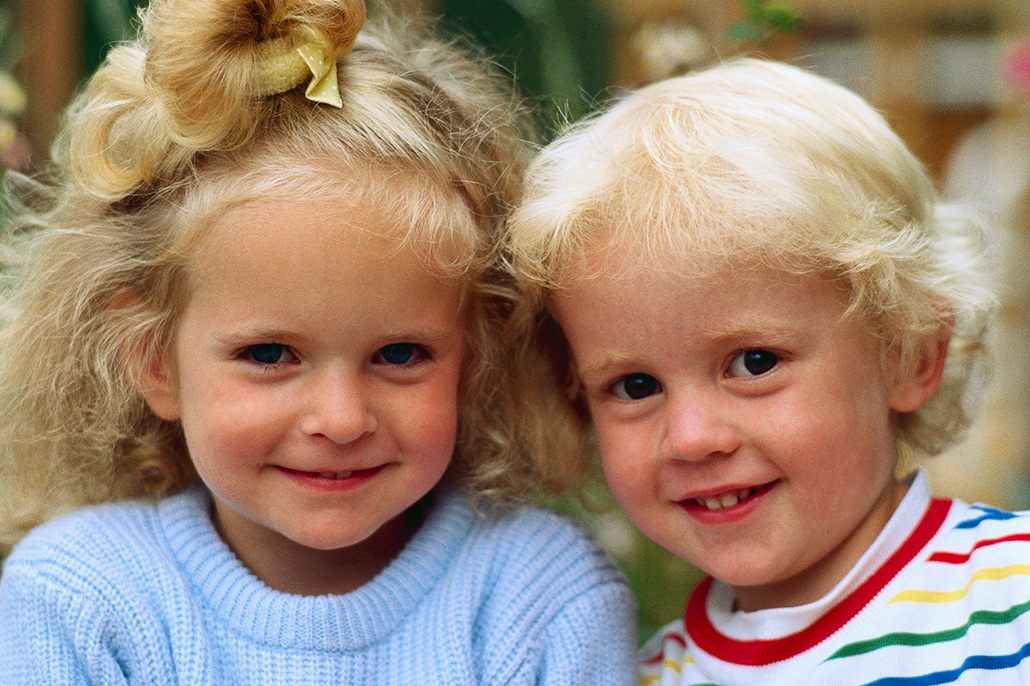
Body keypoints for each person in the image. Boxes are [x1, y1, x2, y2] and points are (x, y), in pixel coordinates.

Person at [0, 0, 637, 683]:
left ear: (473, 355)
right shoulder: (80, 597)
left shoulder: (538, 596)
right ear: (153, 358)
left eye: (400, 355)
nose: (340, 419)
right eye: (270, 355)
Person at [505, 57, 1030, 684]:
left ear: (910, 353)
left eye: (754, 363)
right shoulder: (637, 675)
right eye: (635, 386)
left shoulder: (1010, 598)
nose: (693, 437)